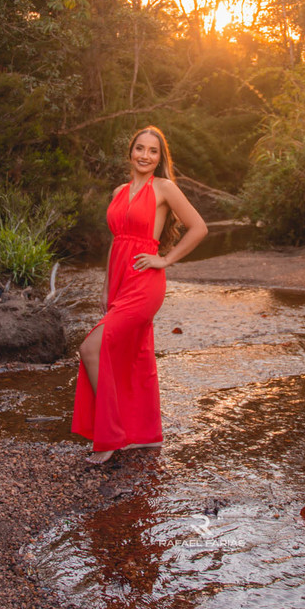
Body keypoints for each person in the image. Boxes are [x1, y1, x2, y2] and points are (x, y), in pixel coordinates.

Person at [71, 126, 208, 464]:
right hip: (119, 280)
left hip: (145, 282)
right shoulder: (119, 191)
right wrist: (106, 285)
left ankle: (110, 437)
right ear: (130, 152)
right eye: (140, 148)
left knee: (90, 348)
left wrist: (165, 259)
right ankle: (141, 434)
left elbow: (199, 228)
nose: (145, 156)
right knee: (129, 355)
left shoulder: (164, 188)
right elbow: (116, 240)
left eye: (153, 151)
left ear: (160, 158)